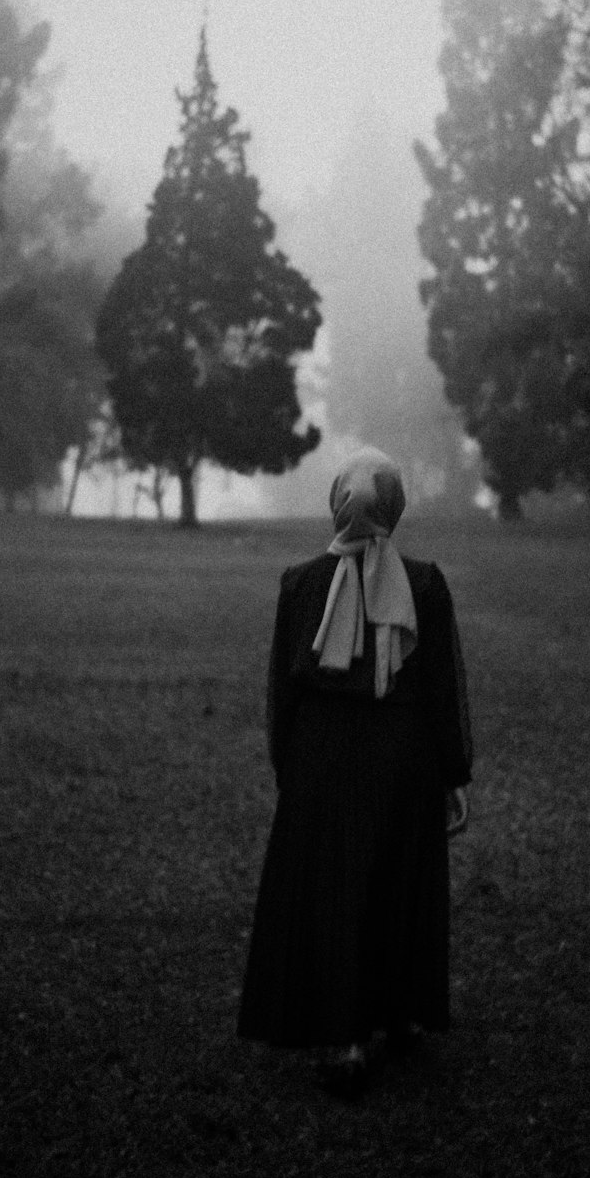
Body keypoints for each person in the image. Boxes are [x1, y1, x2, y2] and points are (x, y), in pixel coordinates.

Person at [237, 447, 473, 1100]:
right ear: (394, 509)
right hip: (403, 761)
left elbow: (282, 693)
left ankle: (340, 1040)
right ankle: (396, 1014)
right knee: (395, 883)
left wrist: (291, 769)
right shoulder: (423, 585)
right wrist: (453, 774)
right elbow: (439, 692)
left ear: (334, 503)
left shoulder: (299, 582)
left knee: (330, 895)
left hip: (321, 761)